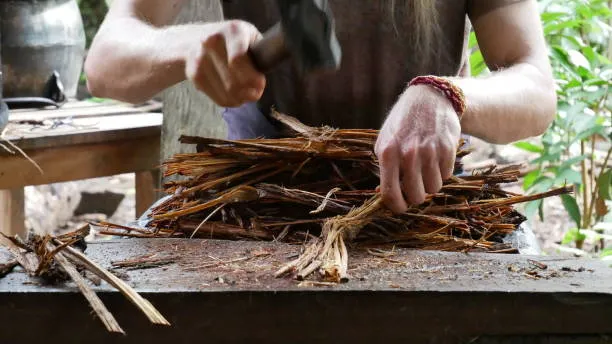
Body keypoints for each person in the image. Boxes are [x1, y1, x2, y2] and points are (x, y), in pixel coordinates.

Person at [84, 0, 556, 214]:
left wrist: (446, 94)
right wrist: (184, 46)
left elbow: (535, 87)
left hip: (421, 199)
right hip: (264, 199)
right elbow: (106, 62)